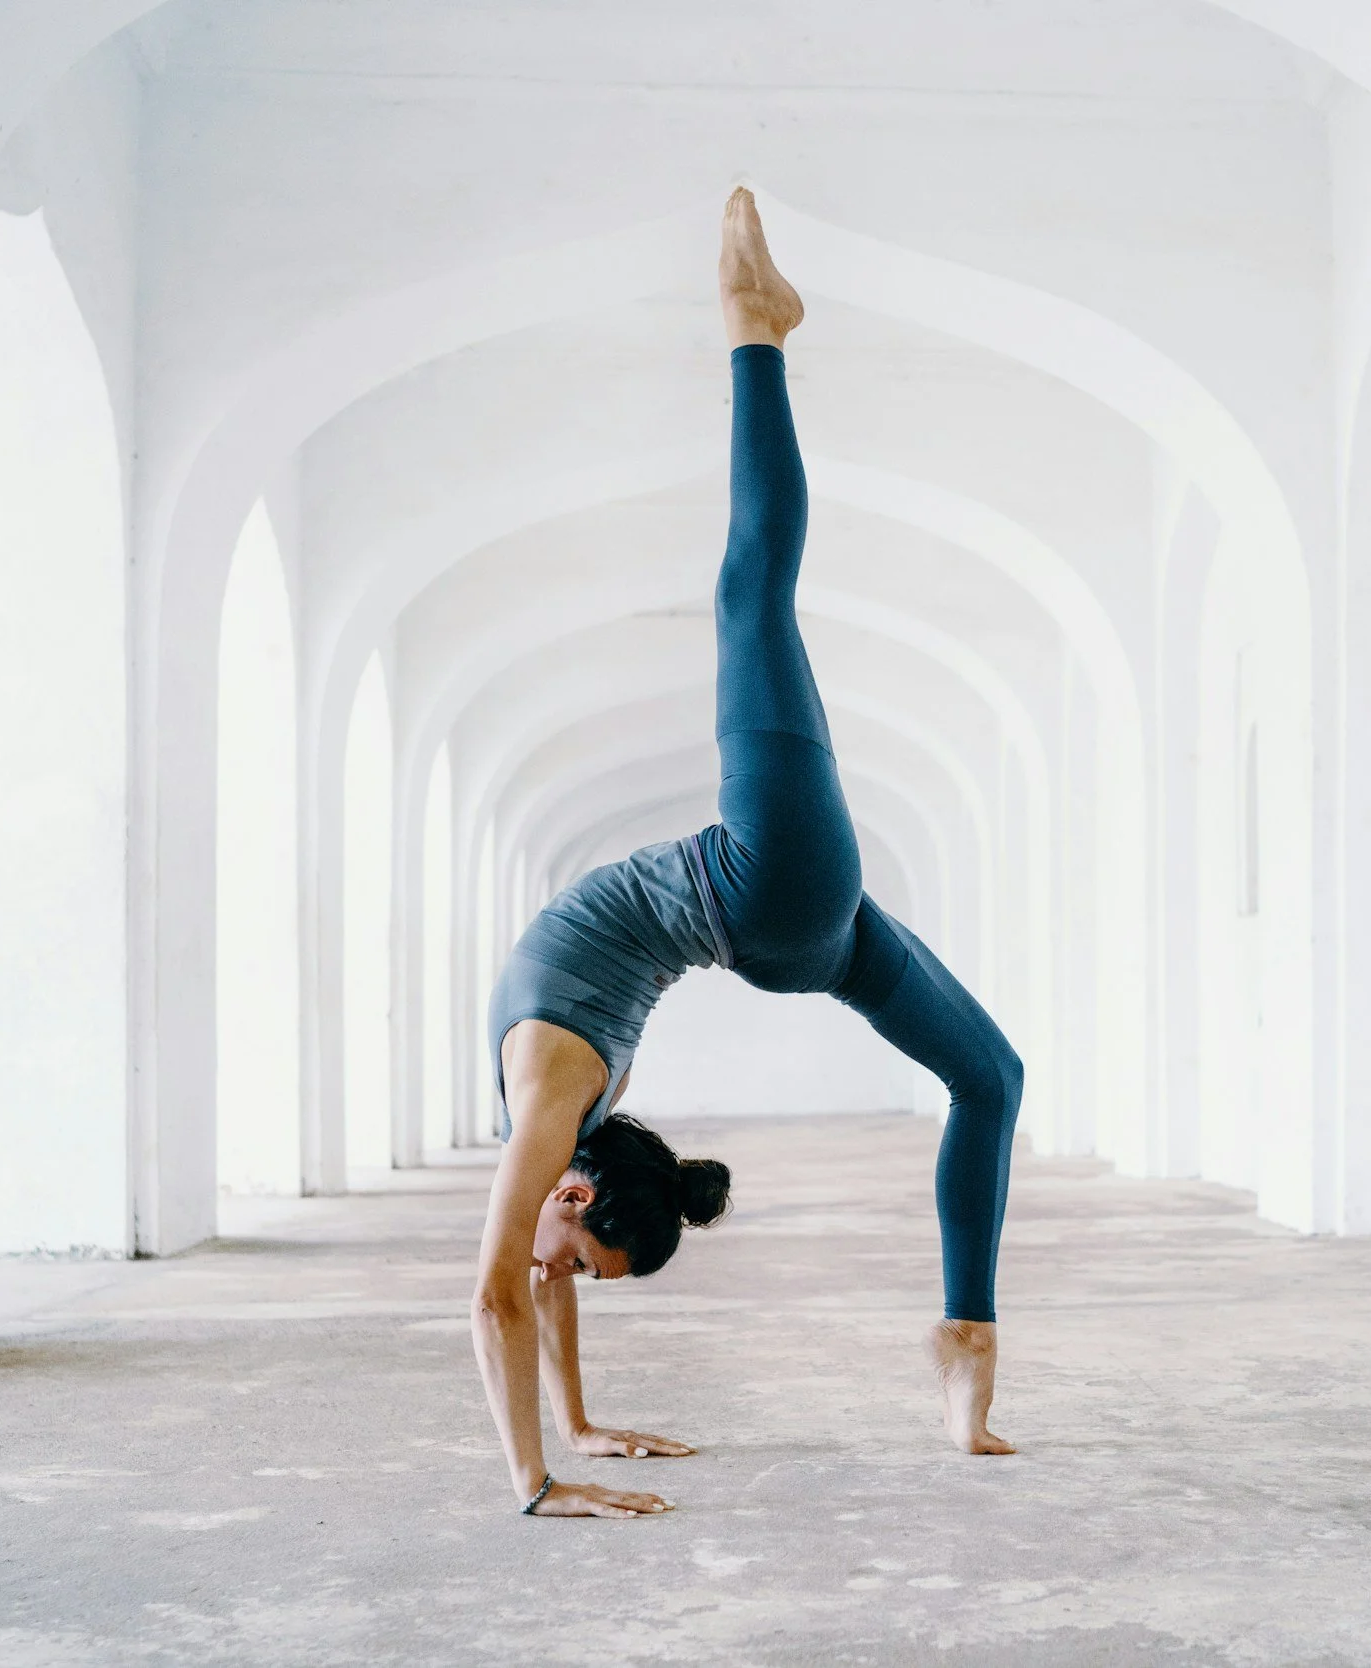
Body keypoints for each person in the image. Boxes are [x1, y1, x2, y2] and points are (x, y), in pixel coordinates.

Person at [470, 187, 1026, 1519]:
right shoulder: (566, 1138)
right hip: (779, 901)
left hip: (778, 896)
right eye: (593, 1267)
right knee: (753, 602)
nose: (566, 1274)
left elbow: (497, 1287)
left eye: (585, 1264)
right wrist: (580, 1431)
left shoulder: (553, 1099)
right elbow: (540, 1273)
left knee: (991, 1076)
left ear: (581, 1187)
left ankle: (753, 331)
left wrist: (541, 1478)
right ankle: (754, 332)